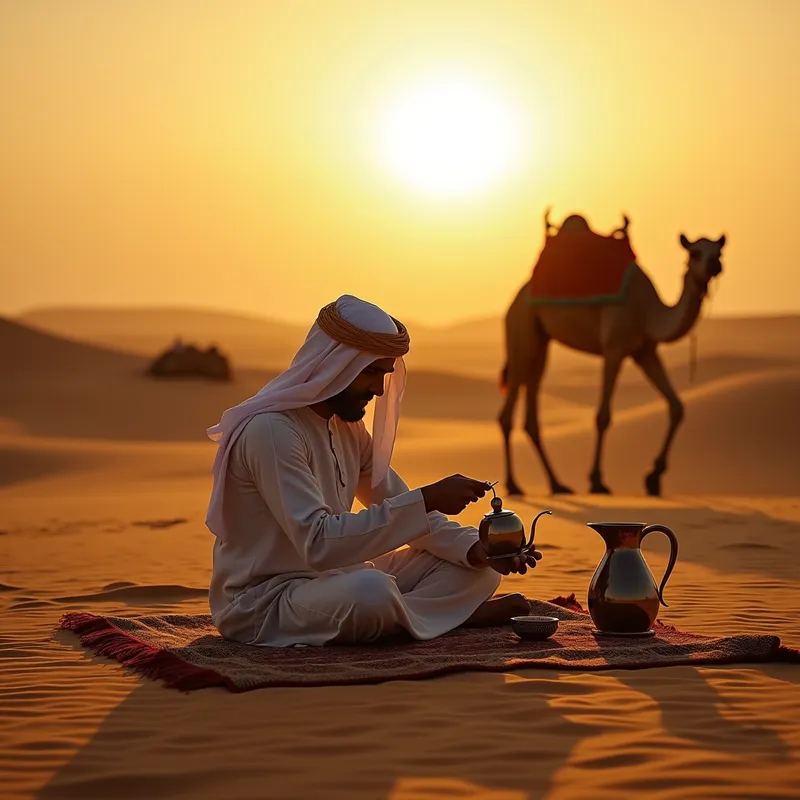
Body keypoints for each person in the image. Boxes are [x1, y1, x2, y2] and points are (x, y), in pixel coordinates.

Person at [205, 294, 541, 647]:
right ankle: (456, 616)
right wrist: (427, 498)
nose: (378, 389)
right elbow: (318, 544)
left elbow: (409, 513)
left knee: (477, 568)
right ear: (334, 365)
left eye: (385, 375)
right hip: (266, 600)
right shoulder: (273, 431)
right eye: (370, 373)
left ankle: (415, 616)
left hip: (338, 578)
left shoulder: (347, 429)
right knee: (371, 592)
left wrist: (479, 550)